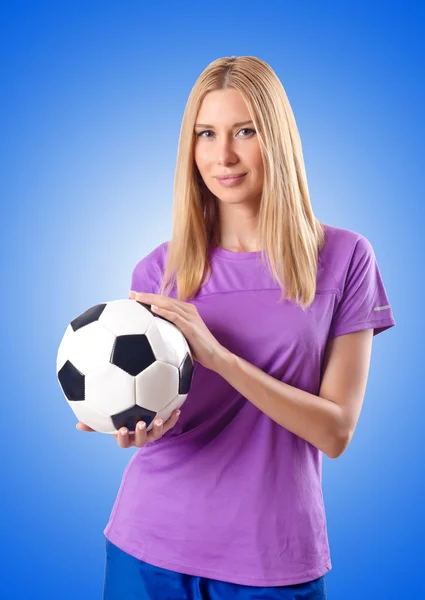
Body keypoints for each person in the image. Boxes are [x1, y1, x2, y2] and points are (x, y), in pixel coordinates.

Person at [78, 55, 396, 599]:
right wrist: (140, 422)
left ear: (276, 137)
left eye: (244, 131)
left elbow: (336, 431)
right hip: (148, 546)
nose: (222, 155)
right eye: (206, 134)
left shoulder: (344, 259)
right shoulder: (161, 270)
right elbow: (175, 412)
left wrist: (219, 355)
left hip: (273, 559)